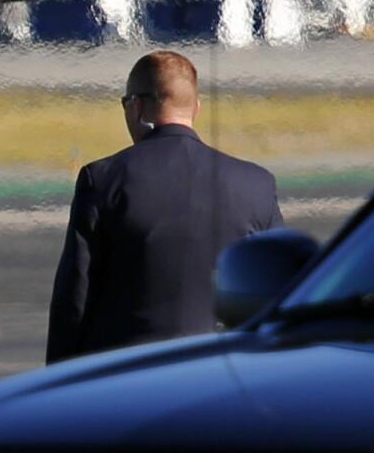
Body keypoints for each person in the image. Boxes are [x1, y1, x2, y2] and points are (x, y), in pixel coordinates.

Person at [46, 50, 283, 364]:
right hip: (223, 374)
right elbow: (279, 289)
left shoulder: (102, 180)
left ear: (137, 106)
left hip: (126, 379)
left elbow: (75, 298)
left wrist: (58, 382)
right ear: (196, 109)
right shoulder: (256, 185)